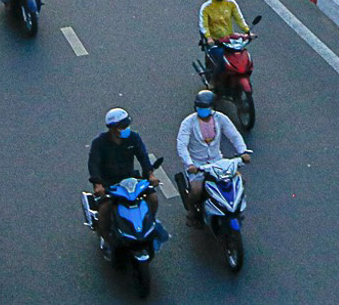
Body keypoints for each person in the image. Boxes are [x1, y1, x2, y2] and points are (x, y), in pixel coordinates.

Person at [88, 108, 164, 248]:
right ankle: (106, 238)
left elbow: (143, 156)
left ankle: (148, 223)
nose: (126, 129)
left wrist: (150, 175)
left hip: (130, 180)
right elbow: (93, 164)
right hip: (110, 183)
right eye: (122, 126)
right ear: (113, 128)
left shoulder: (133, 137)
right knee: (105, 209)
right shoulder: (99, 143)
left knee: (153, 198)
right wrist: (98, 184)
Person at [174, 89, 248, 224]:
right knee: (196, 190)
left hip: (217, 162)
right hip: (198, 165)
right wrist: (189, 163)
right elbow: (182, 145)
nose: (203, 110)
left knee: (240, 181)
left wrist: (243, 152)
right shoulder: (188, 122)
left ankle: (235, 210)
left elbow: (234, 136)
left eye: (206, 108)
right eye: (200, 107)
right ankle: (192, 213)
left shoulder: (220, 119)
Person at [198, 0, 250, 84]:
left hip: (230, 40)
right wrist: (208, 38)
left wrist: (247, 31)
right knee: (221, 62)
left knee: (242, 58)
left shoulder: (231, 3)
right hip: (216, 41)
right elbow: (203, 25)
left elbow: (239, 18)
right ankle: (213, 82)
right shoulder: (206, 7)